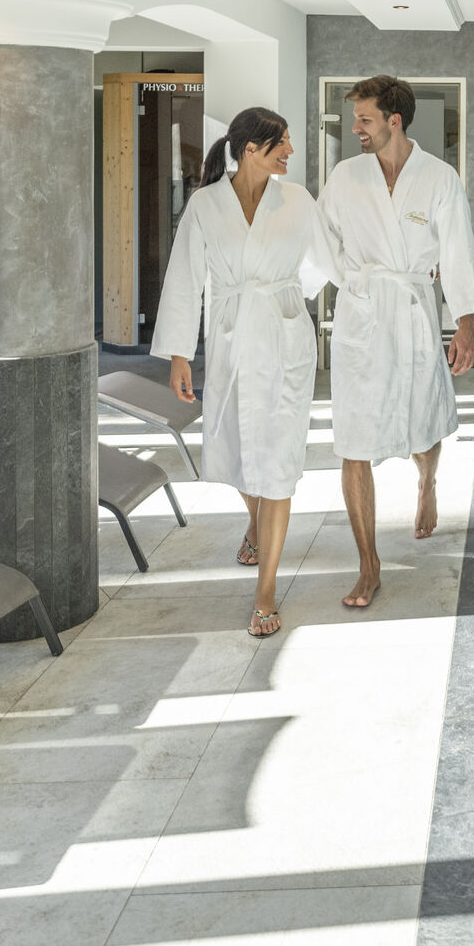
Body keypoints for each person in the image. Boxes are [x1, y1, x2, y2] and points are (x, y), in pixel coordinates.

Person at [151, 107, 335, 638]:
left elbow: (326, 261)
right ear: (251, 149)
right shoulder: (206, 205)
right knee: (234, 447)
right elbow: (185, 277)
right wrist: (179, 354)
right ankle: (256, 524)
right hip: (231, 343)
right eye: (282, 143)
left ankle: (265, 593)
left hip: (285, 341)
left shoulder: (296, 200)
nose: (291, 152)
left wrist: (286, 296)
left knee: (277, 465)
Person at [319, 75, 474, 610]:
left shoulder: (438, 178)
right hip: (362, 315)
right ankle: (369, 564)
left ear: (394, 121)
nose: (356, 128)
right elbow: (321, 242)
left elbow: (457, 251)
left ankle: (426, 482)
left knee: (423, 422)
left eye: (365, 119)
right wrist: (345, 283)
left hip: (414, 313)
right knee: (353, 440)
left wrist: (466, 324)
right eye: (356, 118)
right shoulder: (346, 176)